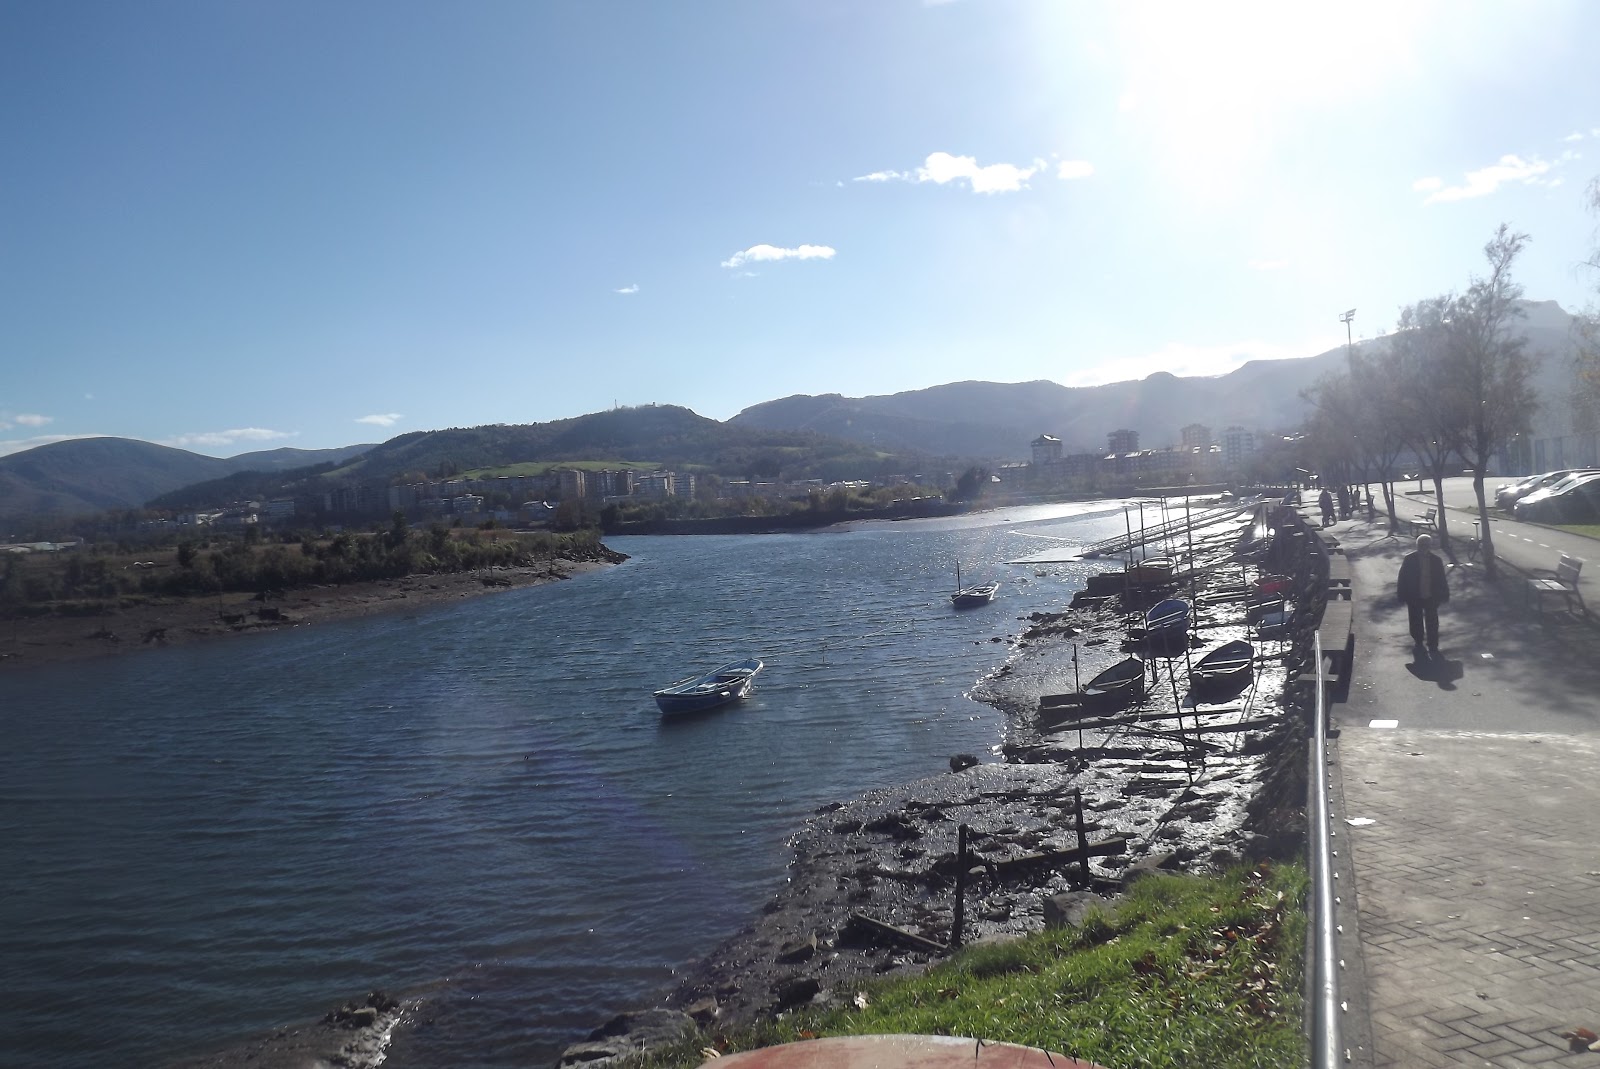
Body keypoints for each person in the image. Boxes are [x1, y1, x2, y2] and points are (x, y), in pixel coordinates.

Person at [1397, 533, 1450, 653]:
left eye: (1426, 545)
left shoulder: (1436, 560)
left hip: (1431, 594)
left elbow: (1441, 578)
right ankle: (1418, 640)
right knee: (1415, 619)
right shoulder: (1409, 559)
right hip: (1414, 594)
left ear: (1430, 546)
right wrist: (1401, 594)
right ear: (1417, 546)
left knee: (1432, 620)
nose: (1424, 547)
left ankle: (1433, 642)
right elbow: (1402, 578)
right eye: (1421, 545)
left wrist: (1445, 594)